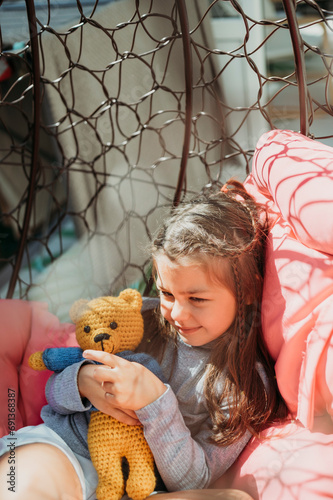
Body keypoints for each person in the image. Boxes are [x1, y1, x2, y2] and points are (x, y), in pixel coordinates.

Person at [0, 180, 287, 500]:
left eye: (197, 299)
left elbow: (195, 480)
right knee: (24, 488)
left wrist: (156, 402)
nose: (177, 313)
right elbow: (53, 394)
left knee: (234, 499)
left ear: (246, 291)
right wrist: (83, 382)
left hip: (138, 488)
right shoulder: (142, 320)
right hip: (67, 450)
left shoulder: (244, 381)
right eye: (167, 293)